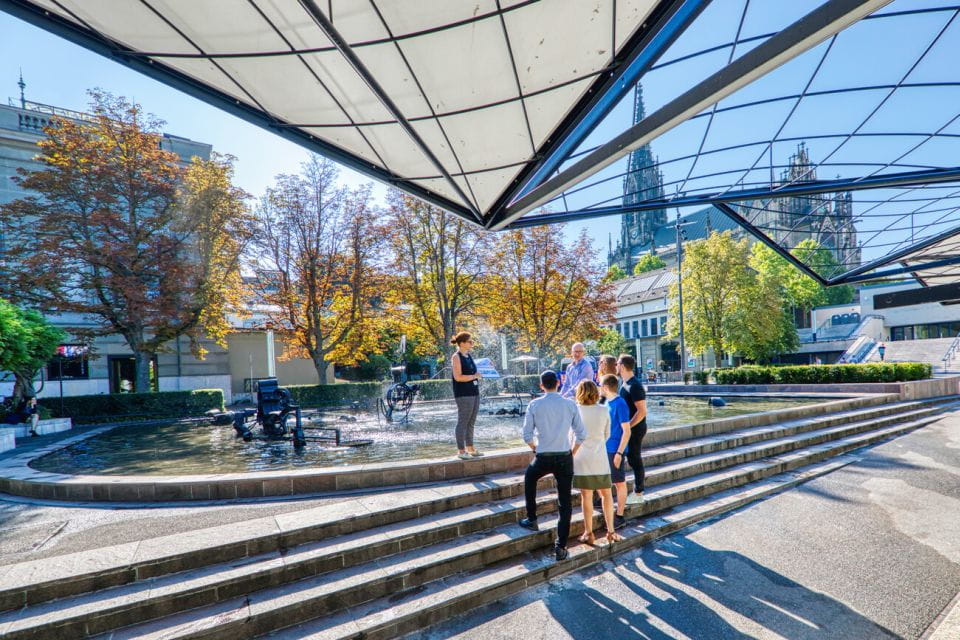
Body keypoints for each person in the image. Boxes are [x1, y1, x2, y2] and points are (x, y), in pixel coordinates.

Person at [519, 370, 587, 561]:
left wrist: (535, 448)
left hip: (543, 456)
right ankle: (561, 546)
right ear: (558, 383)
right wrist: (572, 451)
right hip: (564, 456)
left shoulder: (534, 404)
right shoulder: (570, 404)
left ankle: (532, 518)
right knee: (565, 502)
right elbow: (581, 434)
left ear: (541, 386)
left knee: (529, 479)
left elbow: (526, 435)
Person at [572, 380, 623, 544]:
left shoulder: (576, 410)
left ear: (579, 392)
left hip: (582, 458)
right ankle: (611, 531)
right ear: (596, 392)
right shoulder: (603, 410)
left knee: (586, 496)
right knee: (606, 494)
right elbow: (607, 434)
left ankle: (589, 533)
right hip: (600, 457)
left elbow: (571, 436)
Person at [600, 374, 631, 529]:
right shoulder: (607, 402)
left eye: (601, 385)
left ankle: (619, 516)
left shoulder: (620, 403)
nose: (599, 388)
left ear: (606, 387)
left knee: (619, 482)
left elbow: (627, 431)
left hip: (615, 450)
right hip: (606, 448)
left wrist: (619, 453)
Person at [616, 354, 647, 505]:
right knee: (631, 458)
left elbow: (642, 411)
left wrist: (628, 426)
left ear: (622, 366)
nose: (616, 366)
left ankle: (639, 492)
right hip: (629, 428)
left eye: (617, 364)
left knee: (635, 459)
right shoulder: (625, 383)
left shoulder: (634, 385)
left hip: (636, 429)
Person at [450, 331, 482, 460]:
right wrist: (474, 376)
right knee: (463, 422)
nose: (472, 343)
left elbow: (473, 373)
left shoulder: (468, 356)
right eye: (470, 341)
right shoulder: (456, 357)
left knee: (471, 421)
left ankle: (470, 448)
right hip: (463, 394)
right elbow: (458, 377)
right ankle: (461, 450)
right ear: (462, 343)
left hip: (474, 392)